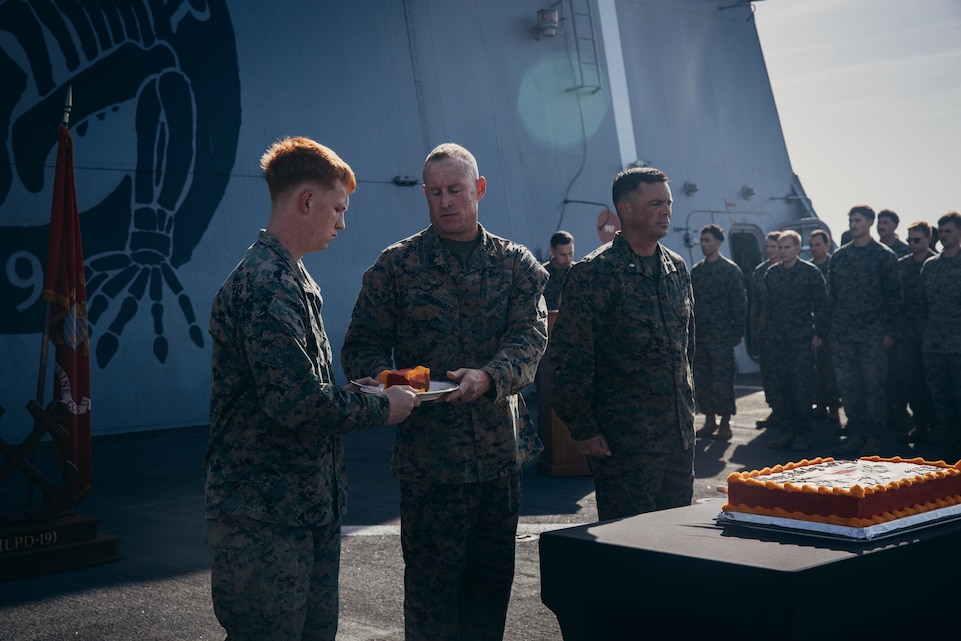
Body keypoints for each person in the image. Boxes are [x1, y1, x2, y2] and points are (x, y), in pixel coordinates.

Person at [204, 137, 420, 641]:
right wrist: (380, 407)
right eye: (338, 208)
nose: (342, 222)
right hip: (264, 518)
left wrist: (361, 394)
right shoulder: (265, 286)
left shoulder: (291, 278)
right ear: (306, 201)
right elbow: (295, 403)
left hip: (301, 507)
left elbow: (300, 387)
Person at [341, 143, 548, 641]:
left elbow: (531, 337)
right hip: (429, 465)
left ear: (478, 190)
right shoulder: (396, 267)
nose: (445, 201)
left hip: (498, 460)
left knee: (489, 592)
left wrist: (489, 377)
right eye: (434, 192)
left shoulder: (515, 264)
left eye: (455, 190)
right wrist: (389, 383)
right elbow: (362, 344)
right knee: (432, 600)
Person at [549, 166, 695, 520]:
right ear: (626, 210)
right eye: (656, 203)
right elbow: (570, 359)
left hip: (677, 437)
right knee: (630, 549)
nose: (667, 211)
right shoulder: (594, 273)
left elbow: (687, 349)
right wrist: (582, 429)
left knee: (679, 543)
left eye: (669, 203)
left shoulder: (676, 267)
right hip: (625, 444)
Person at [826, 205, 902, 455]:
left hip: (873, 334)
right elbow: (832, 297)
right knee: (849, 387)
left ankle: (874, 437)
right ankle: (856, 433)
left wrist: (890, 331)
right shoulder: (840, 257)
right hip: (844, 335)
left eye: (857, 220)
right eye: (850, 220)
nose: (853, 224)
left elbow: (894, 297)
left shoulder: (884, 256)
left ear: (870, 222)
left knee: (874, 387)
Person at [760, 231, 827, 451]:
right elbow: (766, 309)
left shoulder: (810, 273)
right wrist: (766, 334)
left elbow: (821, 306)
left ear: (798, 249)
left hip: (801, 340)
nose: (782, 251)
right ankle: (787, 431)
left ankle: (803, 433)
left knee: (801, 388)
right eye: (780, 247)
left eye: (787, 247)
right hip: (777, 340)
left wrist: (818, 333)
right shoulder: (772, 274)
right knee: (781, 387)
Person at [690, 224, 746, 440]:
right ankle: (709, 419)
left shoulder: (730, 271)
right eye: (702, 240)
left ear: (718, 243)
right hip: (701, 335)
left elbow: (739, 304)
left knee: (723, 379)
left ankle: (725, 421)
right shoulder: (697, 271)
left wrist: (737, 332)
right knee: (703, 378)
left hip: (722, 335)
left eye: (708, 240)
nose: (704, 244)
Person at [921, 212, 961, 463]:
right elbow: (924, 305)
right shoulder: (931, 266)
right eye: (941, 231)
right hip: (935, 345)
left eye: (948, 231)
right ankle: (949, 447)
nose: (943, 235)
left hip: (958, 345)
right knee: (941, 399)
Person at [897, 221, 938, 443]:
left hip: (934, 336)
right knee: (912, 383)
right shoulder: (902, 265)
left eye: (916, 240)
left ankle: (938, 427)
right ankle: (920, 424)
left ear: (928, 239)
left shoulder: (936, 264)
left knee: (933, 384)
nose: (911, 244)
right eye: (909, 240)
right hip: (908, 336)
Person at [807, 229, 840, 424]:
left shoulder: (833, 266)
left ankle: (835, 409)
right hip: (812, 328)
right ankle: (819, 406)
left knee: (832, 370)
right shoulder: (807, 269)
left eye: (818, 244)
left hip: (833, 328)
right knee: (815, 371)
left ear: (827, 246)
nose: (814, 249)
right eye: (811, 245)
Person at [751, 231, 782, 428]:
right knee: (769, 373)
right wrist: (756, 326)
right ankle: (775, 410)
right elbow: (756, 303)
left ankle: (787, 412)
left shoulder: (790, 269)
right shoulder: (760, 271)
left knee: (785, 374)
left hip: (785, 332)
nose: (770, 250)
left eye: (774, 246)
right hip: (765, 330)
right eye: (768, 246)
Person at [542, 230, 575, 309]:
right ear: (552, 252)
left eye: (570, 253)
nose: (568, 258)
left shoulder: (579, 272)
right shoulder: (541, 274)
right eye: (562, 254)